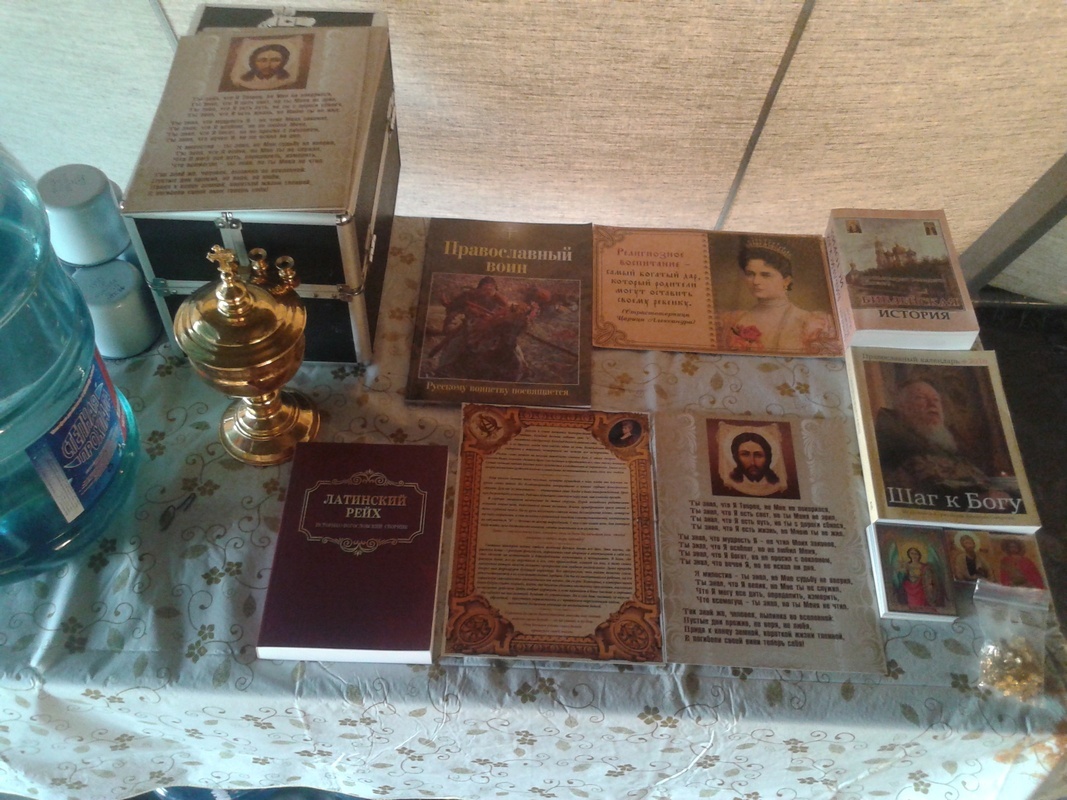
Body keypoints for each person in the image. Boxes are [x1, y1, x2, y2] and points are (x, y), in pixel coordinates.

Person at [874, 378, 1016, 511]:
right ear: (901, 407)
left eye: (936, 400)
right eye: (921, 398)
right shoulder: (892, 448)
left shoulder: (949, 447)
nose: (933, 404)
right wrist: (975, 501)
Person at [718, 237, 836, 354]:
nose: (756, 281)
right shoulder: (733, 320)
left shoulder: (810, 323)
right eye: (750, 274)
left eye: (765, 275)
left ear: (786, 281)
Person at [429, 277, 532, 381]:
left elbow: (509, 312)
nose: (488, 291)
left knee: (513, 347)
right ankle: (442, 368)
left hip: (493, 329)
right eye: (485, 288)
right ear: (479, 288)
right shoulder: (469, 296)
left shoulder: (500, 300)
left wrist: (500, 318)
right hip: (471, 327)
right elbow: (453, 307)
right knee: (455, 344)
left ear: (495, 290)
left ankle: (523, 368)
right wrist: (465, 311)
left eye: (491, 289)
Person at [720, 431, 787, 497]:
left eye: (758, 455)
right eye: (745, 454)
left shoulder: (773, 482)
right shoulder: (733, 480)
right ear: (736, 458)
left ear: (768, 458)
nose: (752, 462)